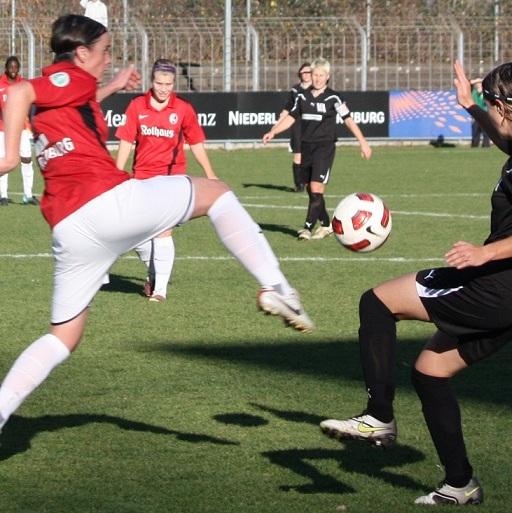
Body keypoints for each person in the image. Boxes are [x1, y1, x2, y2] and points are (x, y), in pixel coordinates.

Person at [0, 14, 313, 437]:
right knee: (218, 194)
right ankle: (279, 288)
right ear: (82, 53)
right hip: (107, 203)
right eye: (106, 51)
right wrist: (6, 156)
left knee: (62, 337)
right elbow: (20, 90)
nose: (109, 58)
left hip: (68, 228)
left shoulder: (66, 89)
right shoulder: (66, 77)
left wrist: (111, 87)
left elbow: (69, 100)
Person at [319, 59, 512, 506]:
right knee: (430, 373)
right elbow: (511, 142)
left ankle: (378, 416)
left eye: (488, 104)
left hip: (495, 288)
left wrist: (483, 253)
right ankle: (460, 483)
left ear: (501, 105)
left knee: (375, 303)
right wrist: (469, 106)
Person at [115, 58, 218, 302]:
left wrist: (210, 173)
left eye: (168, 83)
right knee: (137, 234)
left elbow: (196, 143)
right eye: (159, 83)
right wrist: (118, 172)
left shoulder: (183, 109)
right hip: (141, 179)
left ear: (174, 83)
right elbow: (126, 141)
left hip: (172, 181)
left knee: (162, 230)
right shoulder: (137, 106)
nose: (163, 88)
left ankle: (160, 290)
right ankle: (154, 275)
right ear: (152, 81)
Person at [263, 58, 372, 241]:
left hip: (324, 147)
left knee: (316, 187)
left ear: (327, 77)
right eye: (315, 75)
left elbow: (348, 120)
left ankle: (306, 228)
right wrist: (273, 131)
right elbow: (291, 117)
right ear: (310, 76)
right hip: (306, 146)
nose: (318, 78)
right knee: (310, 189)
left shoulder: (333, 97)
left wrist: (363, 142)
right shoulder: (302, 96)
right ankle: (326, 224)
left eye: (321, 75)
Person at [0, 56, 38, 206]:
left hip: (20, 129)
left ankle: (28, 195)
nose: (13, 70)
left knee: (27, 159)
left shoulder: (23, 84)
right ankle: (3, 195)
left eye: (16, 67)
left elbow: (30, 105)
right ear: (6, 68)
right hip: (2, 130)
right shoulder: (0, 84)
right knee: (3, 160)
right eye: (11, 67)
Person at [278, 62, 312, 192]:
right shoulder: (295, 90)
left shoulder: (317, 89)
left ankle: (309, 181)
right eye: (304, 72)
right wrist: (278, 124)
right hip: (298, 125)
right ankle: (299, 184)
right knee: (298, 155)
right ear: (300, 74)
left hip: (312, 126)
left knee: (311, 156)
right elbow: (287, 108)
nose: (306, 75)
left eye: (309, 72)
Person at [469, 78, 490, 148]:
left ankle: (486, 146)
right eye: (477, 85)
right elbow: (469, 83)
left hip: (485, 115)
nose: (479, 86)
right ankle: (474, 146)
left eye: (480, 85)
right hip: (475, 116)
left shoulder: (486, 93)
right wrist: (477, 80)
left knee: (486, 133)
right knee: (475, 132)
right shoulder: (473, 92)